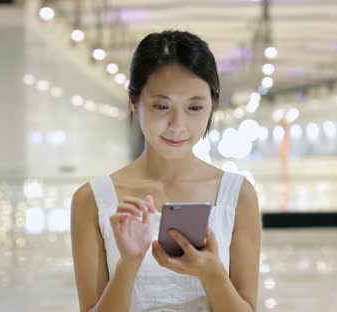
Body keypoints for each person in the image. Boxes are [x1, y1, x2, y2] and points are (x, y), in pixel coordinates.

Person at [70, 30, 262, 312]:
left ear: (212, 105)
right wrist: (129, 263)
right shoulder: (92, 200)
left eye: (195, 107)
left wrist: (211, 271)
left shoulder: (237, 195)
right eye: (161, 106)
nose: (177, 124)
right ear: (134, 102)